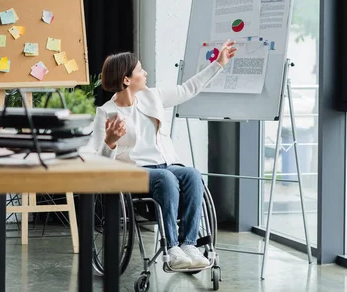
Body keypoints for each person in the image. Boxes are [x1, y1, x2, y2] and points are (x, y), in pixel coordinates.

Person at [85, 40, 236, 270]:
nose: (145, 73)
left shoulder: (152, 96)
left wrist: (218, 64)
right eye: (139, 70)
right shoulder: (106, 112)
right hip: (134, 172)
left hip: (165, 165)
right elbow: (96, 160)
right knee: (167, 179)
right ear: (126, 80)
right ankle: (172, 249)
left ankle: (189, 245)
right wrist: (110, 142)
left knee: (192, 174)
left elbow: (188, 89)